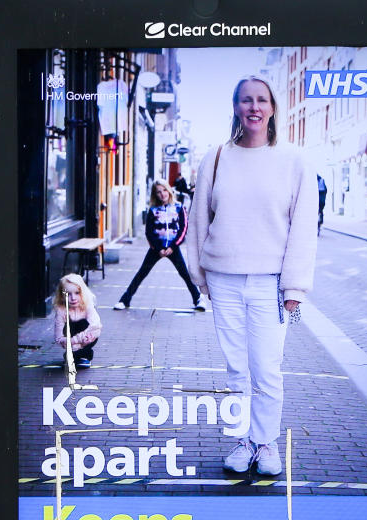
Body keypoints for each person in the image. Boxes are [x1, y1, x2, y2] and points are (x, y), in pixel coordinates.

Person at [183, 75, 318, 477]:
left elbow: (303, 227)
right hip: (223, 279)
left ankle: (267, 442)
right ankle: (242, 441)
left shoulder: (293, 161)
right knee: (236, 368)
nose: (254, 107)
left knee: (266, 367)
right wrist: (201, 277)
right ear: (236, 107)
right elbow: (199, 219)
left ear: (273, 107)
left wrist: (294, 286)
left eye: (261, 100)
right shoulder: (217, 156)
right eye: (246, 100)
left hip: (270, 282)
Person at [113, 179, 203, 311]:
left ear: (169, 190)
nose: (162, 194)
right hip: (157, 248)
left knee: (184, 273)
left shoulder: (179, 207)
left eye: (164, 190)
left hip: (173, 248)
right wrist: (158, 248)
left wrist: (173, 246)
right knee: (142, 272)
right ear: (155, 195)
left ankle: (198, 300)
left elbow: (184, 229)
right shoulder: (153, 210)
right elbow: (149, 232)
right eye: (159, 192)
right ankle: (124, 300)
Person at [51, 273, 102, 368]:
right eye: (68, 294)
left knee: (86, 324)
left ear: (82, 292)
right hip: (70, 339)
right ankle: (74, 355)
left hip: (86, 338)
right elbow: (58, 337)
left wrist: (75, 341)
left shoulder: (87, 305)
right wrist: (69, 343)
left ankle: (83, 356)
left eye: (77, 293)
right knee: (70, 324)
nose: (73, 298)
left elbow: (95, 326)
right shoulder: (61, 310)